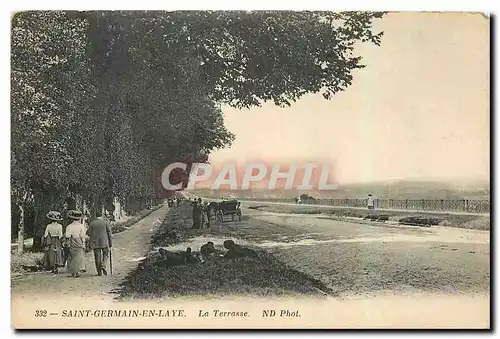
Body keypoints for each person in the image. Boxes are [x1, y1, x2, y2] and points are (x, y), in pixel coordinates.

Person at [88, 210, 113, 276]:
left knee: (97, 257)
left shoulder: (92, 223)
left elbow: (89, 233)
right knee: (106, 253)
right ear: (101, 216)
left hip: (95, 243)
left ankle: (99, 272)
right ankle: (103, 265)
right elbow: (109, 233)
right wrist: (110, 243)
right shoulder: (105, 222)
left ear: (96, 216)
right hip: (104, 242)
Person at [64, 210, 86, 277]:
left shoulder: (69, 226)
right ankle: (78, 270)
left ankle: (73, 271)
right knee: (79, 256)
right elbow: (82, 235)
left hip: (72, 240)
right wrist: (83, 243)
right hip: (79, 240)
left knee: (72, 256)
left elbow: (67, 236)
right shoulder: (81, 226)